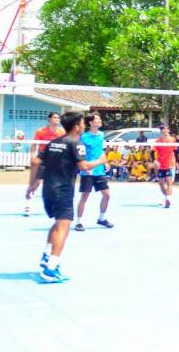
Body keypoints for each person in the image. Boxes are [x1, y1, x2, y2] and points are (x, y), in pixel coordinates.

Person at [25, 111, 108, 283]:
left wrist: (31, 185)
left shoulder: (54, 142)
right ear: (76, 127)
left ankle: (47, 256)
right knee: (63, 229)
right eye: (83, 123)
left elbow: (35, 162)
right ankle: (50, 269)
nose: (84, 125)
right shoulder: (76, 143)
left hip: (48, 190)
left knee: (58, 224)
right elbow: (84, 166)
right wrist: (102, 160)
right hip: (62, 191)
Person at [74, 113, 114, 232]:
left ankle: (101, 218)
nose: (100, 120)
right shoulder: (83, 137)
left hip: (99, 171)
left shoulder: (101, 135)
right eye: (97, 119)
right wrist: (85, 167)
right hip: (88, 172)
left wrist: (105, 162)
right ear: (90, 122)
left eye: (100, 118)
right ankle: (79, 222)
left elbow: (100, 150)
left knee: (107, 195)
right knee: (84, 197)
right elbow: (80, 154)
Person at [25, 112, 65, 216]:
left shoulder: (61, 132)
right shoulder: (40, 131)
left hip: (56, 161)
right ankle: (28, 204)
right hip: (43, 159)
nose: (57, 119)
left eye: (58, 117)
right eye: (55, 117)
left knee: (56, 184)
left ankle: (56, 206)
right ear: (49, 119)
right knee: (37, 182)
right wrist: (32, 158)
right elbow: (34, 146)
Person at [153, 125, 177, 208]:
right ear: (161, 131)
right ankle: (166, 197)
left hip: (170, 164)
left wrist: (177, 162)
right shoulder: (157, 141)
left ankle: (168, 199)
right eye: (163, 130)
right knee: (161, 184)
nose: (165, 131)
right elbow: (152, 152)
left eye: (167, 129)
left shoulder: (172, 140)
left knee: (169, 182)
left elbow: (175, 151)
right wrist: (155, 160)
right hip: (160, 165)